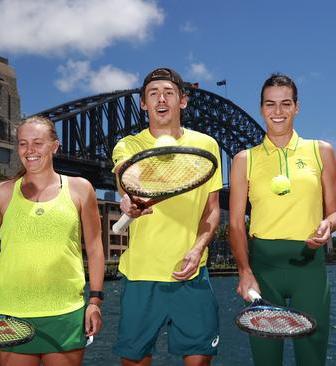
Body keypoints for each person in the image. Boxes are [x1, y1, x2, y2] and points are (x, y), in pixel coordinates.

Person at [0, 116, 105, 366]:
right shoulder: (1, 193)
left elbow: (94, 248)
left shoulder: (81, 189)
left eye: (38, 143)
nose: (30, 151)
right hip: (11, 313)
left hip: (66, 313)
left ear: (55, 146)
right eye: (23, 144)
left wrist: (94, 301)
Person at [111, 67, 222, 366]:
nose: (161, 99)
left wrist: (199, 247)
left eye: (169, 93)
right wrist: (128, 200)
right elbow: (123, 177)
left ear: (182, 101)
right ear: (144, 104)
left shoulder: (207, 145)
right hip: (141, 275)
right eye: (153, 94)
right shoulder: (129, 145)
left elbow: (212, 209)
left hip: (192, 272)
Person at [228, 73, 336, 366]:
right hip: (264, 271)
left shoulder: (322, 151)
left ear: (297, 108)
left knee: (312, 359)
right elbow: (236, 224)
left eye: (285, 104)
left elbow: (335, 213)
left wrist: (328, 225)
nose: (277, 112)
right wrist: (244, 271)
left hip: (310, 268)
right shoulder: (244, 159)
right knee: (265, 361)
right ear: (261, 108)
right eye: (270, 104)